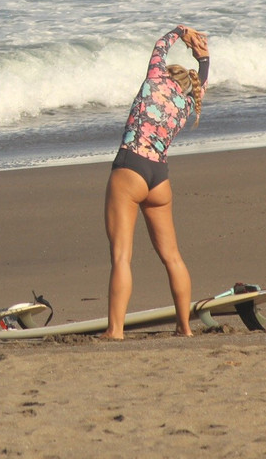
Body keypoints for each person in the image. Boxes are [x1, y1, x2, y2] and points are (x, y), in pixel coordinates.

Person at [102, 25, 209, 340]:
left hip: (130, 169)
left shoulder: (154, 80)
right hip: (159, 179)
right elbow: (201, 84)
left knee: (122, 256)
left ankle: (115, 330)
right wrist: (204, 58)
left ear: (168, 73)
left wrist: (181, 31)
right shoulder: (187, 105)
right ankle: (185, 327)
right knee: (172, 257)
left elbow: (160, 45)